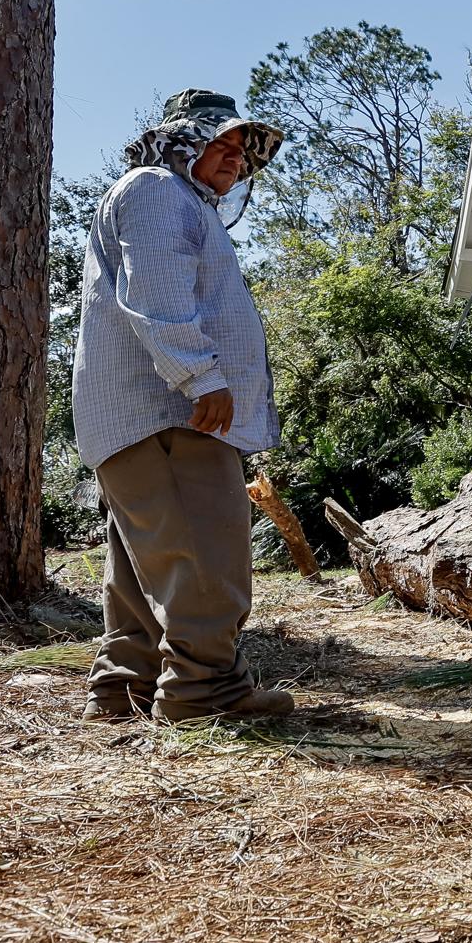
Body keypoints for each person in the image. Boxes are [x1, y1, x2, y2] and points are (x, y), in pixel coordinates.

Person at [72, 89, 293, 724]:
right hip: (172, 412)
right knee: (203, 556)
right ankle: (206, 692)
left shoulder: (168, 199)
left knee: (144, 565)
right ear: (180, 142)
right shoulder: (156, 191)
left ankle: (124, 688)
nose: (232, 160)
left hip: (142, 419)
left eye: (240, 151)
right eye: (219, 143)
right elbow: (158, 293)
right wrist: (201, 378)